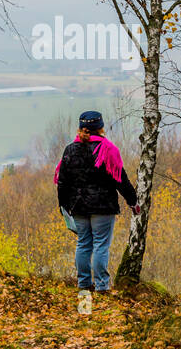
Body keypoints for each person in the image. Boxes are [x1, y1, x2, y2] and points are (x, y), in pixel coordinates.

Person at [54, 111, 138, 295]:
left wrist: (63, 206)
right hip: (103, 206)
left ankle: (84, 284)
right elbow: (120, 179)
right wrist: (133, 201)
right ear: (100, 128)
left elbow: (62, 181)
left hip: (78, 206)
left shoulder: (70, 150)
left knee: (83, 244)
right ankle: (102, 286)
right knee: (101, 245)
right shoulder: (107, 149)